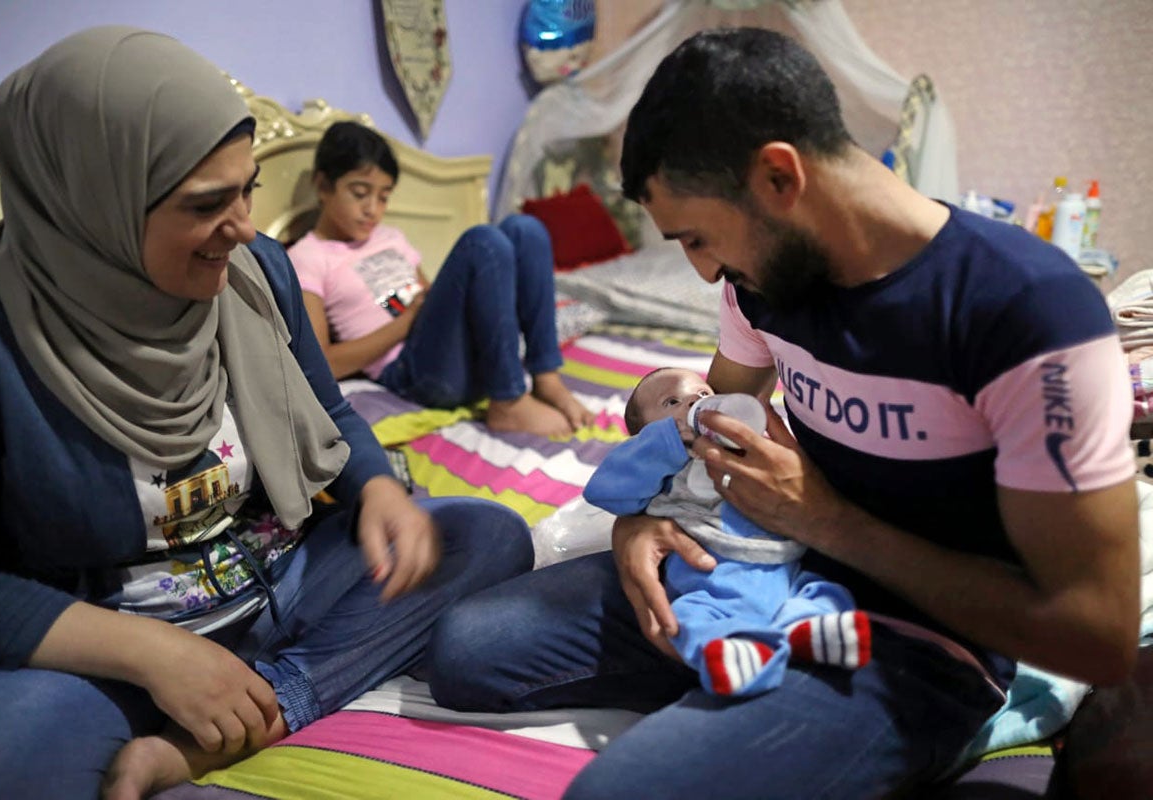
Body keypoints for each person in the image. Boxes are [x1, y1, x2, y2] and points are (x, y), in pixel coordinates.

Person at [426, 26, 1141, 798]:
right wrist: (642, 522)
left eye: (698, 238)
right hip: (759, 574)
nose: (706, 275)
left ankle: (792, 720)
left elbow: (1095, 637)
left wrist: (829, 523)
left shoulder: (1023, 312)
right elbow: (701, 440)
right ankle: (741, 694)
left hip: (910, 640)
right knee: (470, 648)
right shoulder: (761, 284)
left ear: (777, 176)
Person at [0, 27, 535, 800]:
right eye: (205, 204)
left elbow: (328, 409)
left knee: (485, 536)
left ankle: (256, 712)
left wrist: (377, 489)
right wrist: (155, 657)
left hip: (288, 576)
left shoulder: (257, 270)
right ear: (93, 204)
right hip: (115, 648)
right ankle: (217, 705)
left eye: (248, 189)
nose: (241, 226)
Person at [287, 121, 592, 437]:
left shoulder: (390, 236)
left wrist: (426, 309)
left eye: (383, 197)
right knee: (482, 242)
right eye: (360, 193)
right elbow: (322, 364)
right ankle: (509, 401)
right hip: (412, 370)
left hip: (449, 349)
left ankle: (546, 378)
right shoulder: (307, 257)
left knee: (524, 230)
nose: (373, 210)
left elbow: (436, 300)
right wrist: (407, 321)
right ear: (323, 185)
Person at [584, 367, 870, 696]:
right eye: (672, 401)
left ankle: (808, 630)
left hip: (783, 568)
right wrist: (663, 443)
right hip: (712, 582)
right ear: (644, 434)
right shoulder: (656, 462)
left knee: (822, 592)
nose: (694, 400)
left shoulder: (744, 447)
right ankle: (738, 656)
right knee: (687, 619)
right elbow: (605, 490)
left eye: (704, 394)